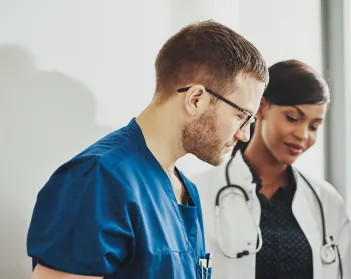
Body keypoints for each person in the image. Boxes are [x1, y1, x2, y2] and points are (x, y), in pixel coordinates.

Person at [26, 20, 269, 279]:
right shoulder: (98, 178)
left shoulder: (187, 191)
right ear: (195, 99)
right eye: (242, 116)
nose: (244, 134)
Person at [191, 59, 351, 279]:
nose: (303, 135)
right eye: (293, 118)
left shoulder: (327, 201)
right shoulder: (198, 192)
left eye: (314, 126)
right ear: (262, 107)